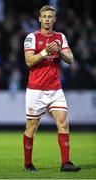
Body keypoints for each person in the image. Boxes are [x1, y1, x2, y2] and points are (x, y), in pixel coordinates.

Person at [23, 5, 81, 172]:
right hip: (36, 90)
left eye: (51, 16)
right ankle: (28, 163)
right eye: (45, 16)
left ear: (54, 19)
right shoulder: (31, 37)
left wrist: (60, 52)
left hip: (55, 89)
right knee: (31, 128)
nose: (48, 19)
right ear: (40, 19)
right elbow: (28, 61)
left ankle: (66, 163)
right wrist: (44, 52)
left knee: (63, 123)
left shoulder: (60, 37)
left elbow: (70, 59)